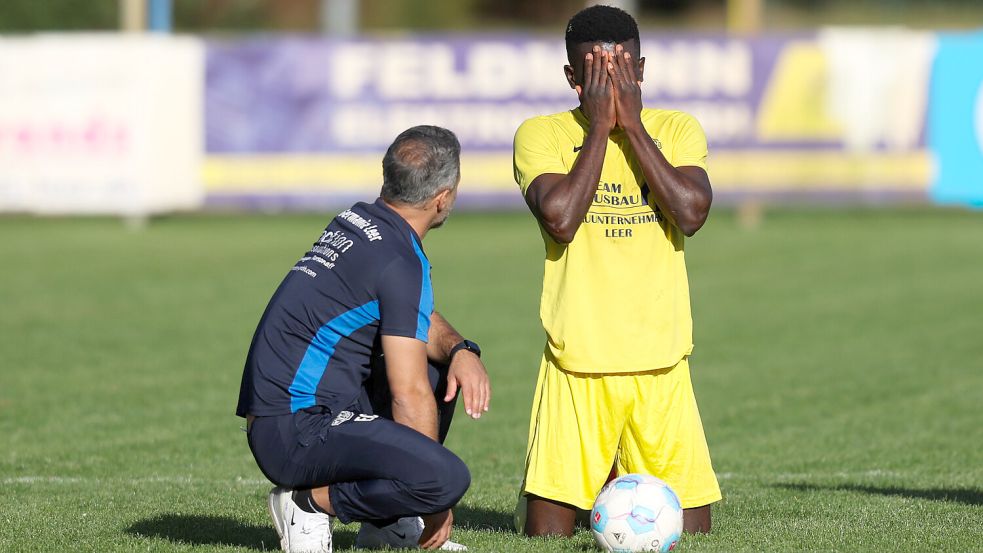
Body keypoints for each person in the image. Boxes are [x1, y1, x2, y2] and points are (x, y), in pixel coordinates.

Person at [512, 5, 721, 537]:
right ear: (570, 78)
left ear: (642, 70)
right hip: (577, 362)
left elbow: (692, 213)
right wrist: (603, 128)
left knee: (693, 535)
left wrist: (634, 126)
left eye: (621, 67)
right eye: (594, 69)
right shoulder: (542, 134)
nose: (609, 79)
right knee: (545, 537)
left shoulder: (676, 129)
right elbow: (560, 219)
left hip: (661, 361)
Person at [236, 125, 491, 553]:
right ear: (443, 197)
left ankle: (385, 524)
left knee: (441, 368)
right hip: (294, 431)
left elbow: (414, 319)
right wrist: (432, 496)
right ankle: (307, 504)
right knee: (447, 477)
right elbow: (408, 394)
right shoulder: (399, 259)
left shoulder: (362, 221)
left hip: (290, 417)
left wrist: (462, 350)